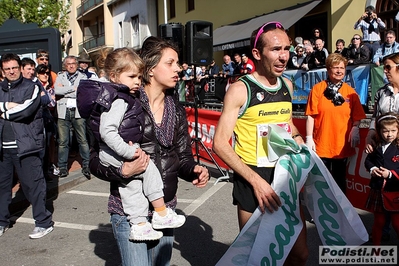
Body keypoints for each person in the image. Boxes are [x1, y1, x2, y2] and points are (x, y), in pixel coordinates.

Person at [88, 36, 209, 266]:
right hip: (129, 212)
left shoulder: (177, 109)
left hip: (165, 211)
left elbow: (182, 157)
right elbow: (93, 159)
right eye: (170, 63)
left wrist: (194, 169)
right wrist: (122, 171)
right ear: (151, 69)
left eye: (178, 63)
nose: (178, 69)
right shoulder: (123, 103)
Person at [213, 21, 308, 265]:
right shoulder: (239, 89)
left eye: (286, 48)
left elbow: (288, 125)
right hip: (252, 178)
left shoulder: (286, 84)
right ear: (257, 53)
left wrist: (302, 147)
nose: (284, 56)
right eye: (276, 49)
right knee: (256, 254)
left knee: (298, 254)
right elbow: (220, 144)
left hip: (285, 175)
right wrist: (256, 182)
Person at [78, 47, 185, 241]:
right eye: (132, 76)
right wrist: (129, 153)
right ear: (114, 76)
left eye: (138, 76)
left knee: (137, 181)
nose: (137, 81)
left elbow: (182, 154)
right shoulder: (118, 99)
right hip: (115, 153)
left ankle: (146, 220)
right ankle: (149, 219)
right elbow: (106, 133)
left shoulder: (127, 97)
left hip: (120, 151)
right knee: (137, 180)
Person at [0, 53, 54, 239]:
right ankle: (1, 221)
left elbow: (27, 110)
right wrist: (8, 104)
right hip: (2, 149)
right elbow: (17, 109)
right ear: (2, 70)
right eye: (7, 69)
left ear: (20, 68)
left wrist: (3, 112)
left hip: (26, 145)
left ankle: (43, 222)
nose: (11, 71)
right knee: (2, 187)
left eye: (14, 67)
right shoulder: (0, 88)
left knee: (34, 186)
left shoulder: (31, 87)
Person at [305, 53, 366, 194]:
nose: (339, 71)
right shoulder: (317, 89)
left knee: (339, 183)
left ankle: (340, 215)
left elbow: (357, 116)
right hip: (321, 145)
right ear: (328, 70)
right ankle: (320, 214)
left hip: (341, 147)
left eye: (342, 68)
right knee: (320, 183)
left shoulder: (351, 93)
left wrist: (356, 127)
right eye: (335, 67)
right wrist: (309, 138)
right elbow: (310, 116)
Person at [365, 52, 399, 241]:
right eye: (384, 67)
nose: (384, 71)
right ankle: (382, 235)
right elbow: (375, 117)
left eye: (388, 67)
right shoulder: (381, 92)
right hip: (383, 146)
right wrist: (371, 136)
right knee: (383, 189)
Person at [365, 112, 399, 245]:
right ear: (379, 131)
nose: (389, 134)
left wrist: (390, 174)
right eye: (385, 131)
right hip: (378, 189)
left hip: (395, 190)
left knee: (397, 223)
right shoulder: (376, 145)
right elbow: (368, 161)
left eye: (393, 131)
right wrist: (373, 169)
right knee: (379, 222)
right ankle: (376, 249)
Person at [54, 55, 90, 179]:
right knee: (63, 141)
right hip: (63, 111)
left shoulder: (83, 76)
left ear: (77, 64)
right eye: (68, 63)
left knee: (82, 140)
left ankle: (86, 164)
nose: (71, 65)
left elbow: (82, 92)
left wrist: (66, 91)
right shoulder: (60, 76)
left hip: (78, 111)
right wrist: (72, 89)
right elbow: (57, 91)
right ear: (65, 65)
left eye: (73, 63)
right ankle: (63, 167)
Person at [36, 64, 58, 180]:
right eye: (42, 73)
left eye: (47, 73)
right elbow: (44, 101)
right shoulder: (36, 85)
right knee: (42, 147)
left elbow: (51, 102)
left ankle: (47, 170)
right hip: (40, 120)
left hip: (49, 118)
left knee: (49, 145)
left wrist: (45, 95)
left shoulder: (49, 86)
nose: (45, 75)